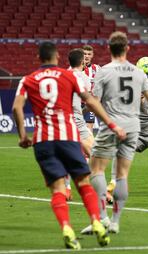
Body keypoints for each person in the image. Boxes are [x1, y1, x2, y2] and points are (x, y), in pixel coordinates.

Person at [11, 41, 126, 249]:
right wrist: (111, 123)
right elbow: (90, 101)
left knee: (58, 189)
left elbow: (17, 108)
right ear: (56, 57)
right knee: (83, 182)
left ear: (39, 59)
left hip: (43, 140)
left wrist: (22, 136)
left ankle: (66, 227)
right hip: (68, 136)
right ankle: (97, 223)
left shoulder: (28, 79)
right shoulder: (70, 76)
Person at [80, 31, 148, 235]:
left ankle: (102, 218)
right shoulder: (138, 72)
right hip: (133, 128)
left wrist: (84, 112)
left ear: (109, 49)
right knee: (121, 174)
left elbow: (93, 101)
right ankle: (115, 222)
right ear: (127, 49)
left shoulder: (103, 71)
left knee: (95, 169)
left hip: (112, 125)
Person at [64, 48, 95, 201]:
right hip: (76, 119)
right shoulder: (83, 77)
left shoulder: (62, 75)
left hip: (62, 121)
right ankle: (99, 191)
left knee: (68, 155)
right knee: (96, 154)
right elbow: (88, 102)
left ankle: (67, 187)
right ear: (82, 62)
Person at [82, 45, 101, 133]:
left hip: (89, 104)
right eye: (85, 54)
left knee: (89, 127)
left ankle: (88, 146)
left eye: (89, 54)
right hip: (77, 103)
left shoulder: (97, 68)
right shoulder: (75, 68)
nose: (86, 56)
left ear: (92, 55)